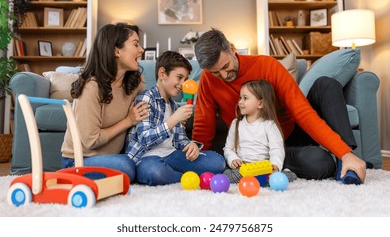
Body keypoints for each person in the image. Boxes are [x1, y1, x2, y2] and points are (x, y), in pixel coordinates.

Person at [192, 28, 366, 184]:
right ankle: (276, 165)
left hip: (289, 133)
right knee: (320, 163)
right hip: (259, 149)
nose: (224, 75)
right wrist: (199, 163)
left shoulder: (267, 66)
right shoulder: (208, 80)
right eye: (216, 72)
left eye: (225, 66)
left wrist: (343, 152)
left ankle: (347, 159)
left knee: (327, 84)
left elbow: (302, 112)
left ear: (231, 48)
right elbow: (203, 125)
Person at [61, 23, 150, 183]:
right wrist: (128, 121)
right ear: (116, 51)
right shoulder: (91, 88)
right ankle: (68, 176)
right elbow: (91, 140)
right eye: (136, 44)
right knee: (127, 167)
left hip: (113, 158)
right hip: (79, 160)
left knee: (144, 165)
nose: (141, 50)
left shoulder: (136, 83)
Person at [125, 51, 226, 186]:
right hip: (148, 157)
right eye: (179, 77)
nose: (182, 84)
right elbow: (144, 139)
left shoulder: (173, 105)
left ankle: (176, 174)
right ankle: (186, 177)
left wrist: (191, 145)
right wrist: (174, 119)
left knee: (217, 162)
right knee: (153, 172)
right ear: (162, 74)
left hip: (171, 155)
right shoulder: (146, 98)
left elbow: (180, 140)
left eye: (185, 79)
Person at [223, 79, 294, 183]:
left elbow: (277, 149)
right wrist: (233, 159)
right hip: (243, 168)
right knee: (228, 176)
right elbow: (228, 148)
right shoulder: (236, 123)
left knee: (278, 178)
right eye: (240, 98)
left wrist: (275, 165)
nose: (240, 102)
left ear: (260, 103)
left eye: (245, 98)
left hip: (263, 168)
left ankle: (286, 172)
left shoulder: (269, 125)